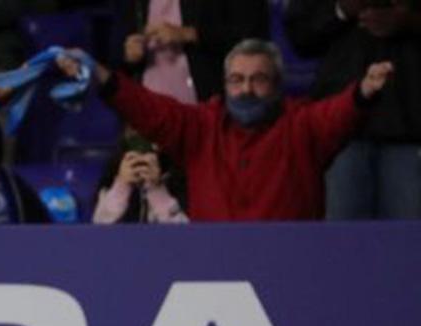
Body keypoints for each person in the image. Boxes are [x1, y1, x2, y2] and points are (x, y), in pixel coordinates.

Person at [57, 39, 395, 221]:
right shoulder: (201, 126)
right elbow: (148, 108)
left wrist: (363, 92)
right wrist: (100, 75)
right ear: (224, 84)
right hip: (215, 272)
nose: (246, 89)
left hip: (293, 268)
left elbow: (337, 115)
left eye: (258, 79)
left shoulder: (301, 125)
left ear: (277, 84)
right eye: (236, 79)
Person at [286, 0, 421, 220]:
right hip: (341, 133)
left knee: (410, 245)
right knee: (343, 244)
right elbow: (299, 37)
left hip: (410, 129)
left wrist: (411, 22)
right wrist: (341, 9)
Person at [113, 0, 269, 103]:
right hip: (147, 116)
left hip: (209, 113)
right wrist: (128, 54)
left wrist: (191, 34)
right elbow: (113, 55)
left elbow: (252, 39)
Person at [92, 129, 188, 224]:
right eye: (133, 129)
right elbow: (99, 227)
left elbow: (187, 234)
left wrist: (156, 190)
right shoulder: (112, 171)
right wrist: (122, 186)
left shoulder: (180, 174)